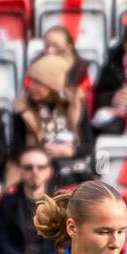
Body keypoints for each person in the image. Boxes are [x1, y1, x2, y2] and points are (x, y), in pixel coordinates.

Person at [12, 53, 92, 185]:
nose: (31, 87)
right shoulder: (22, 109)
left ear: (53, 86)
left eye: (38, 83)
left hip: (75, 166)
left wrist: (71, 151)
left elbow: (88, 145)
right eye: (31, 82)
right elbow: (17, 150)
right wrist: (41, 153)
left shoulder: (75, 106)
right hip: (39, 170)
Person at [0, 145, 58, 254]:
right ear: (20, 171)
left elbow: (67, 243)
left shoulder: (62, 204)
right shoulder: (7, 202)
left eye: (41, 167)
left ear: (49, 171)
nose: (35, 172)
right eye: (28, 168)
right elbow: (1, 241)